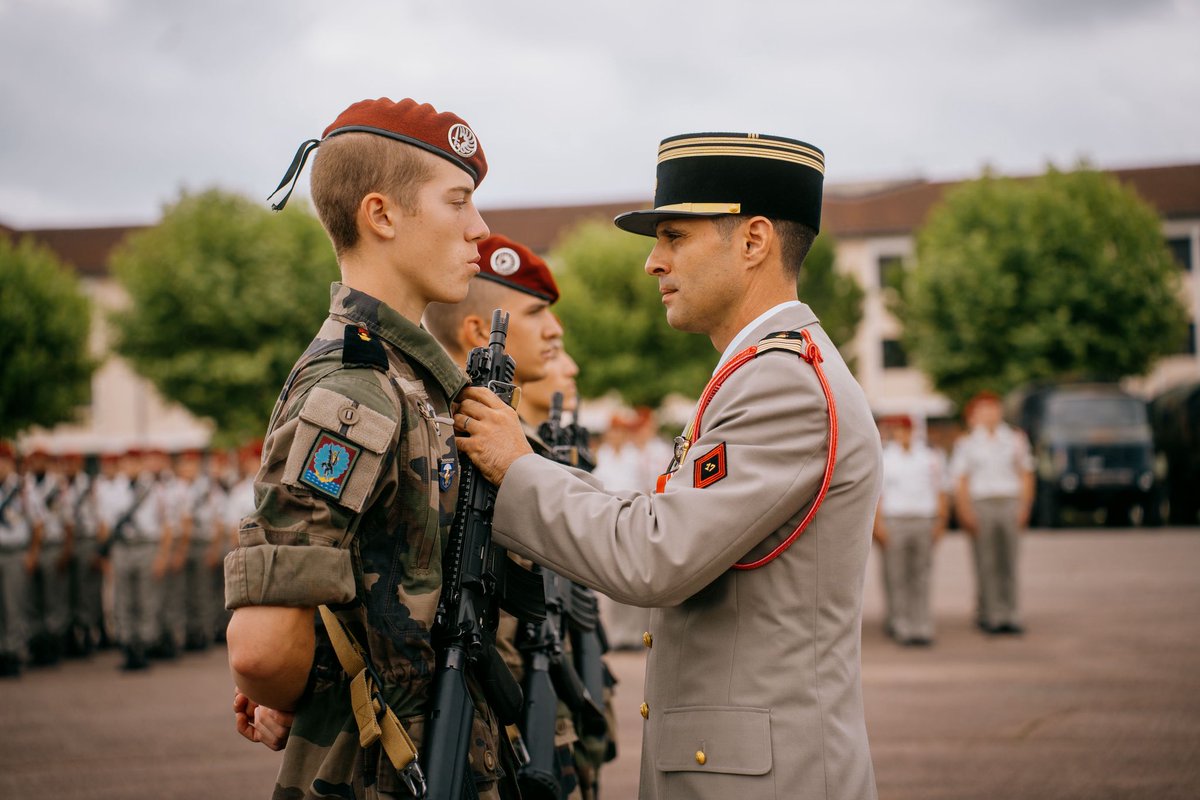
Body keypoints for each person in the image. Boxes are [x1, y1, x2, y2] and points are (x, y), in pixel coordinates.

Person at [455, 132, 882, 799]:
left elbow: (655, 555)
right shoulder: (763, 370)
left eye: (675, 237)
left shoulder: (781, 381)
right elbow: (664, 520)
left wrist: (517, 468)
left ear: (754, 240)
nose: (654, 262)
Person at [223, 97, 509, 799]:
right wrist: (300, 689)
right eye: (458, 201)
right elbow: (262, 650)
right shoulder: (357, 391)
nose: (479, 227)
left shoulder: (405, 379)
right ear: (381, 215)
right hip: (381, 773)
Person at [950, 391, 1034, 635]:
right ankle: (990, 613)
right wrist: (964, 509)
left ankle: (1011, 613)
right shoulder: (967, 443)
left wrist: (1025, 506)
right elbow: (961, 479)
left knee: (1009, 560)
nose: (990, 414)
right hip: (981, 503)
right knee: (985, 561)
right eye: (984, 409)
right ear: (976, 414)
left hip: (1008, 501)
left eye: (994, 408)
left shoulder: (1015, 439)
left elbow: (1025, 474)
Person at [873, 415, 948, 646]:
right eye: (898, 430)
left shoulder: (929, 456)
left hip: (923, 518)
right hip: (895, 519)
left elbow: (940, 489)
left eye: (907, 430)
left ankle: (921, 624)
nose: (903, 435)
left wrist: (941, 520)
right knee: (896, 574)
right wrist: (878, 524)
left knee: (921, 574)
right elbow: (877, 495)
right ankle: (901, 623)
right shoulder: (885, 457)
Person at [0, 443, 31, 677]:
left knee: (13, 605)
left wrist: (32, 553)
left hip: (14, 551)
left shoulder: (22, 489)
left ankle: (13, 652)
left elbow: (38, 523)